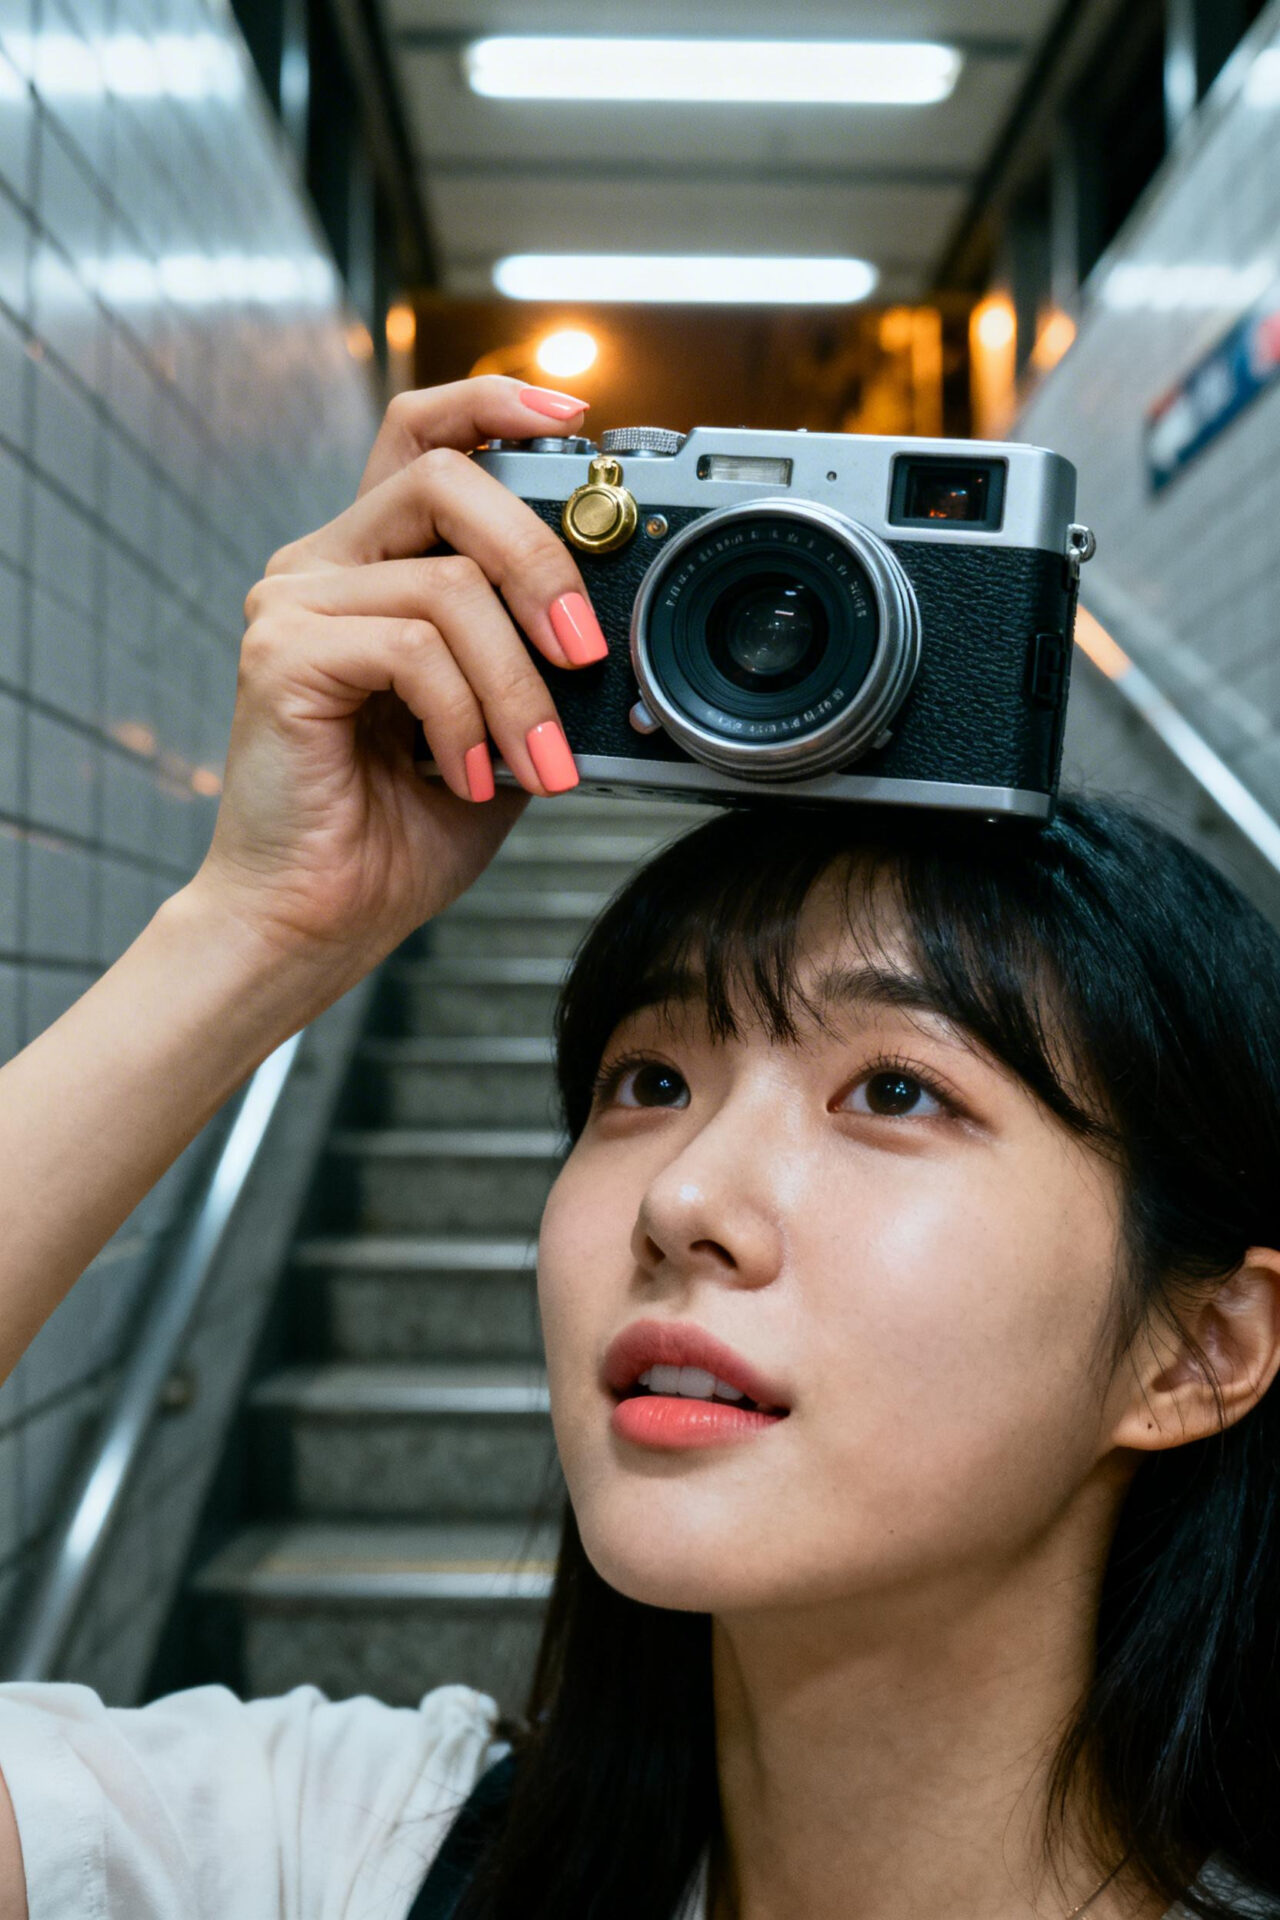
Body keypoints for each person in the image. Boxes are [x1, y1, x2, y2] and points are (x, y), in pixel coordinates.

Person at [0, 376, 1277, 1920]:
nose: (682, 1201)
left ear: (1198, 1349)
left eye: (894, 1093)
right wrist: (253, 932)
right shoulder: (341, 1860)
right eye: (647, 1081)